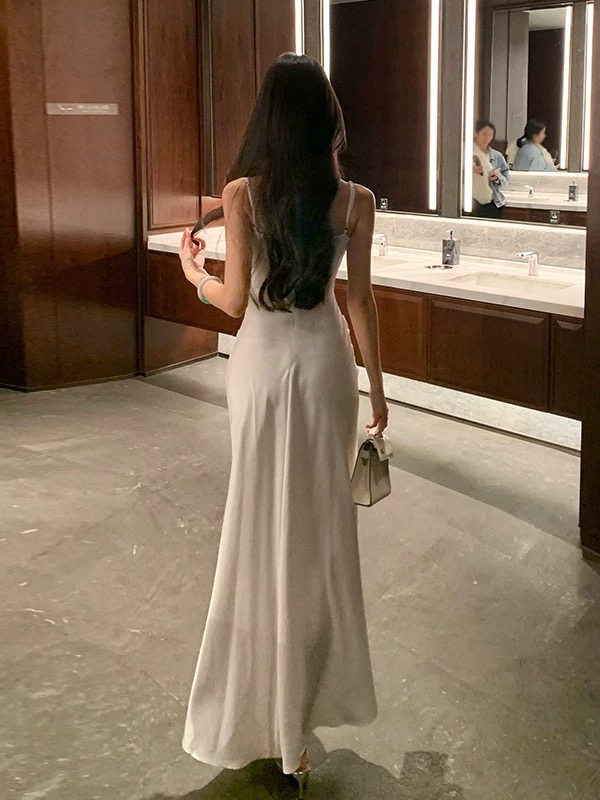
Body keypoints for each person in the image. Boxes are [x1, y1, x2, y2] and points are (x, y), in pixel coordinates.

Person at [177, 53, 388, 798]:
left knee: (257, 524)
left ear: (268, 118)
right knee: (319, 535)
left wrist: (194, 274)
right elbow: (358, 301)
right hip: (327, 367)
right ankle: (303, 711)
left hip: (263, 368)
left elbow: (235, 300)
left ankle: (260, 704)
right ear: (326, 116)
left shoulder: (245, 195)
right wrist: (378, 389)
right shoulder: (356, 201)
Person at [472, 119, 510, 219]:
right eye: (484, 134)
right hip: (471, 201)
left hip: (493, 201)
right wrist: (471, 171)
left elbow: (506, 179)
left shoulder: (497, 156)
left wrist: (497, 178)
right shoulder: (466, 153)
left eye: (490, 135)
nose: (487, 138)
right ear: (475, 133)